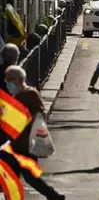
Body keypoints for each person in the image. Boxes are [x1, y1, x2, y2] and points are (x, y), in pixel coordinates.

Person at [3, 66, 65, 200]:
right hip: (17, 144)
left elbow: (40, 114)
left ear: (19, 80)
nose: (7, 83)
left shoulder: (29, 94)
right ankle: (54, 196)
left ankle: (54, 196)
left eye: (10, 80)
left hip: (26, 145)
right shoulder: (17, 95)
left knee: (29, 177)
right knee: (21, 177)